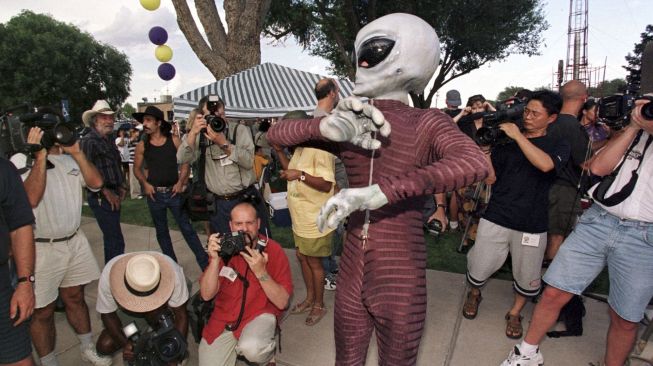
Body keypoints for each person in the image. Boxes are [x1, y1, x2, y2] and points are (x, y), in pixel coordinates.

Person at [268, 13, 488, 365]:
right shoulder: (352, 119)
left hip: (399, 270)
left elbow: (475, 164)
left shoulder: (426, 121)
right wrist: (327, 126)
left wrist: (382, 191)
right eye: (360, 53)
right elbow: (275, 134)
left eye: (372, 51)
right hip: (356, 264)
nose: (362, 63)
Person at [501, 98, 653, 366]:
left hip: (644, 236)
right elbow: (596, 167)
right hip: (599, 221)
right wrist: (633, 127)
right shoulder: (635, 134)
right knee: (554, 291)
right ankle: (526, 353)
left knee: (626, 317)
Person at [462, 91, 569, 339]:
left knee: (527, 274)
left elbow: (545, 165)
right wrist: (487, 151)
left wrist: (518, 135)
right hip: (497, 214)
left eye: (535, 113)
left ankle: (515, 312)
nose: (528, 117)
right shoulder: (506, 141)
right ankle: (475, 293)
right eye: (526, 111)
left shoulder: (558, 143)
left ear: (551, 118)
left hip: (532, 222)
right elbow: (490, 178)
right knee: (480, 264)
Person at [11, 118, 110, 366]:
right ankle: (48, 360)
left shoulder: (69, 159)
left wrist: (76, 152)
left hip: (74, 241)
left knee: (75, 297)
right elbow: (31, 198)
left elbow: (97, 183)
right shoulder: (20, 161)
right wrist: (40, 157)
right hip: (41, 247)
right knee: (42, 311)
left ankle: (87, 347)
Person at [198, 202, 292, 366]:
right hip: (225, 319)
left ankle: (266, 356)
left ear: (258, 224)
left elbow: (282, 302)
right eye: (238, 224)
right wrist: (214, 260)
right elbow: (206, 294)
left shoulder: (274, 250)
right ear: (230, 225)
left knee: (252, 348)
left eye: (249, 223)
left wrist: (261, 272)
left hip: (258, 314)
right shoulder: (225, 248)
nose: (244, 229)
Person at [177, 96, 270, 236]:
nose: (217, 119)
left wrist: (223, 144)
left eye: (220, 114)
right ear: (202, 117)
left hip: (245, 198)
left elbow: (248, 161)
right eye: (211, 116)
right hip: (220, 204)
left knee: (257, 243)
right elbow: (182, 158)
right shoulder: (198, 136)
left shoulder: (239, 130)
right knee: (228, 248)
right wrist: (193, 133)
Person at [133, 106, 209, 271]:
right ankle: (173, 269)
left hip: (175, 193)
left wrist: (181, 181)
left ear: (158, 123)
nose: (144, 124)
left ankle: (205, 265)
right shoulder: (142, 145)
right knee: (162, 232)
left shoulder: (173, 140)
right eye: (143, 121)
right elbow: (136, 169)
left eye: (148, 120)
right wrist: (145, 184)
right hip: (155, 196)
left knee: (187, 229)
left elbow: (186, 160)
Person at [95, 251, 189, 364]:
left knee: (167, 330)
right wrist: (125, 344)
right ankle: (145, 331)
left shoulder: (173, 272)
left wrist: (175, 352)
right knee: (105, 344)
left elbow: (181, 316)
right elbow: (107, 315)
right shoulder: (110, 275)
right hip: (133, 314)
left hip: (164, 308)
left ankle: (165, 334)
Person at [545, 80, 590, 262]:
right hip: (564, 190)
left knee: (542, 234)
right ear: (584, 98)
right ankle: (550, 283)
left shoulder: (549, 121)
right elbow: (586, 163)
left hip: (544, 182)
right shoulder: (573, 126)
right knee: (557, 236)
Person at [80, 100, 126, 263]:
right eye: (104, 117)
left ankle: (111, 276)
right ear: (95, 120)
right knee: (115, 241)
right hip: (101, 197)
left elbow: (113, 165)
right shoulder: (88, 141)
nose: (109, 121)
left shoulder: (107, 139)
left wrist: (121, 186)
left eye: (111, 117)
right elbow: (85, 173)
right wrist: (105, 191)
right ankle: (113, 278)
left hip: (113, 193)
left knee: (112, 240)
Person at [0, 157, 36, 366]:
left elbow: (20, 226)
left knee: (19, 361)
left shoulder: (3, 169)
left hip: (2, 288)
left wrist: (25, 283)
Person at [313, 78, 345, 291]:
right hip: (332, 179)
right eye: (338, 90)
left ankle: (330, 267)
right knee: (332, 228)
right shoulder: (322, 121)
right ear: (332, 93)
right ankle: (328, 272)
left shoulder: (321, 116)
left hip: (335, 177)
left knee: (335, 228)